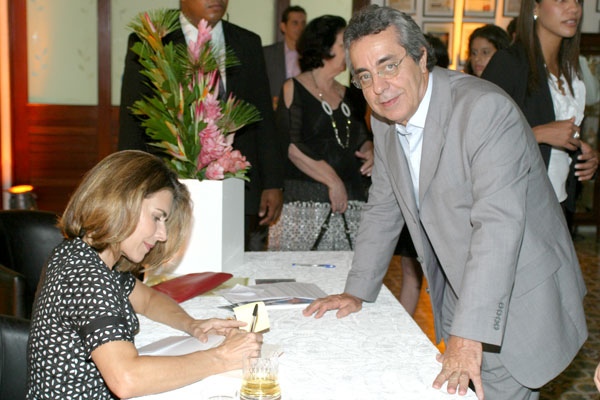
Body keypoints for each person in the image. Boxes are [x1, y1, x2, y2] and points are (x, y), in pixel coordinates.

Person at [303, 5, 587, 400]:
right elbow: (384, 207)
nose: (379, 88)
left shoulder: (484, 110)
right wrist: (357, 290)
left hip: (514, 294)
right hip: (458, 288)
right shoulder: (384, 120)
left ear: (421, 58)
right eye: (365, 76)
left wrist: (469, 335)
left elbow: (498, 228)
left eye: (388, 66)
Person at [26, 151, 262, 400]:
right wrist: (220, 358)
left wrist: (191, 324)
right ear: (121, 201)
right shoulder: (87, 277)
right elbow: (127, 379)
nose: (163, 235)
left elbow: (148, 300)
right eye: (156, 217)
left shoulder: (83, 254)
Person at [119, 0, 284, 250]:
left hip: (235, 184)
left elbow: (262, 116)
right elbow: (133, 117)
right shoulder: (152, 39)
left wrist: (273, 182)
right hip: (168, 184)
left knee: (231, 263)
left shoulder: (247, 42)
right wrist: (131, 182)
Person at [482, 0, 598, 231]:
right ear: (534, 7)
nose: (573, 8)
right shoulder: (509, 62)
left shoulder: (571, 69)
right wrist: (539, 134)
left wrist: (587, 157)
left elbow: (564, 139)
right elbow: (476, 140)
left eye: (577, 0)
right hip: (516, 208)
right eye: (561, 0)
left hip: (559, 204)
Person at [268, 15, 374, 251]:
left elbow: (362, 138)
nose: (350, 51)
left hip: (352, 200)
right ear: (324, 47)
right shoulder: (293, 88)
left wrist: (370, 153)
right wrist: (332, 181)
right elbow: (292, 146)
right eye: (343, 45)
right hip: (305, 203)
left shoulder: (350, 94)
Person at [263, 5, 307, 108]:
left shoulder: (311, 55)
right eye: (295, 23)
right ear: (283, 26)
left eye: (303, 23)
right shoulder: (267, 53)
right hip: (273, 110)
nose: (300, 28)